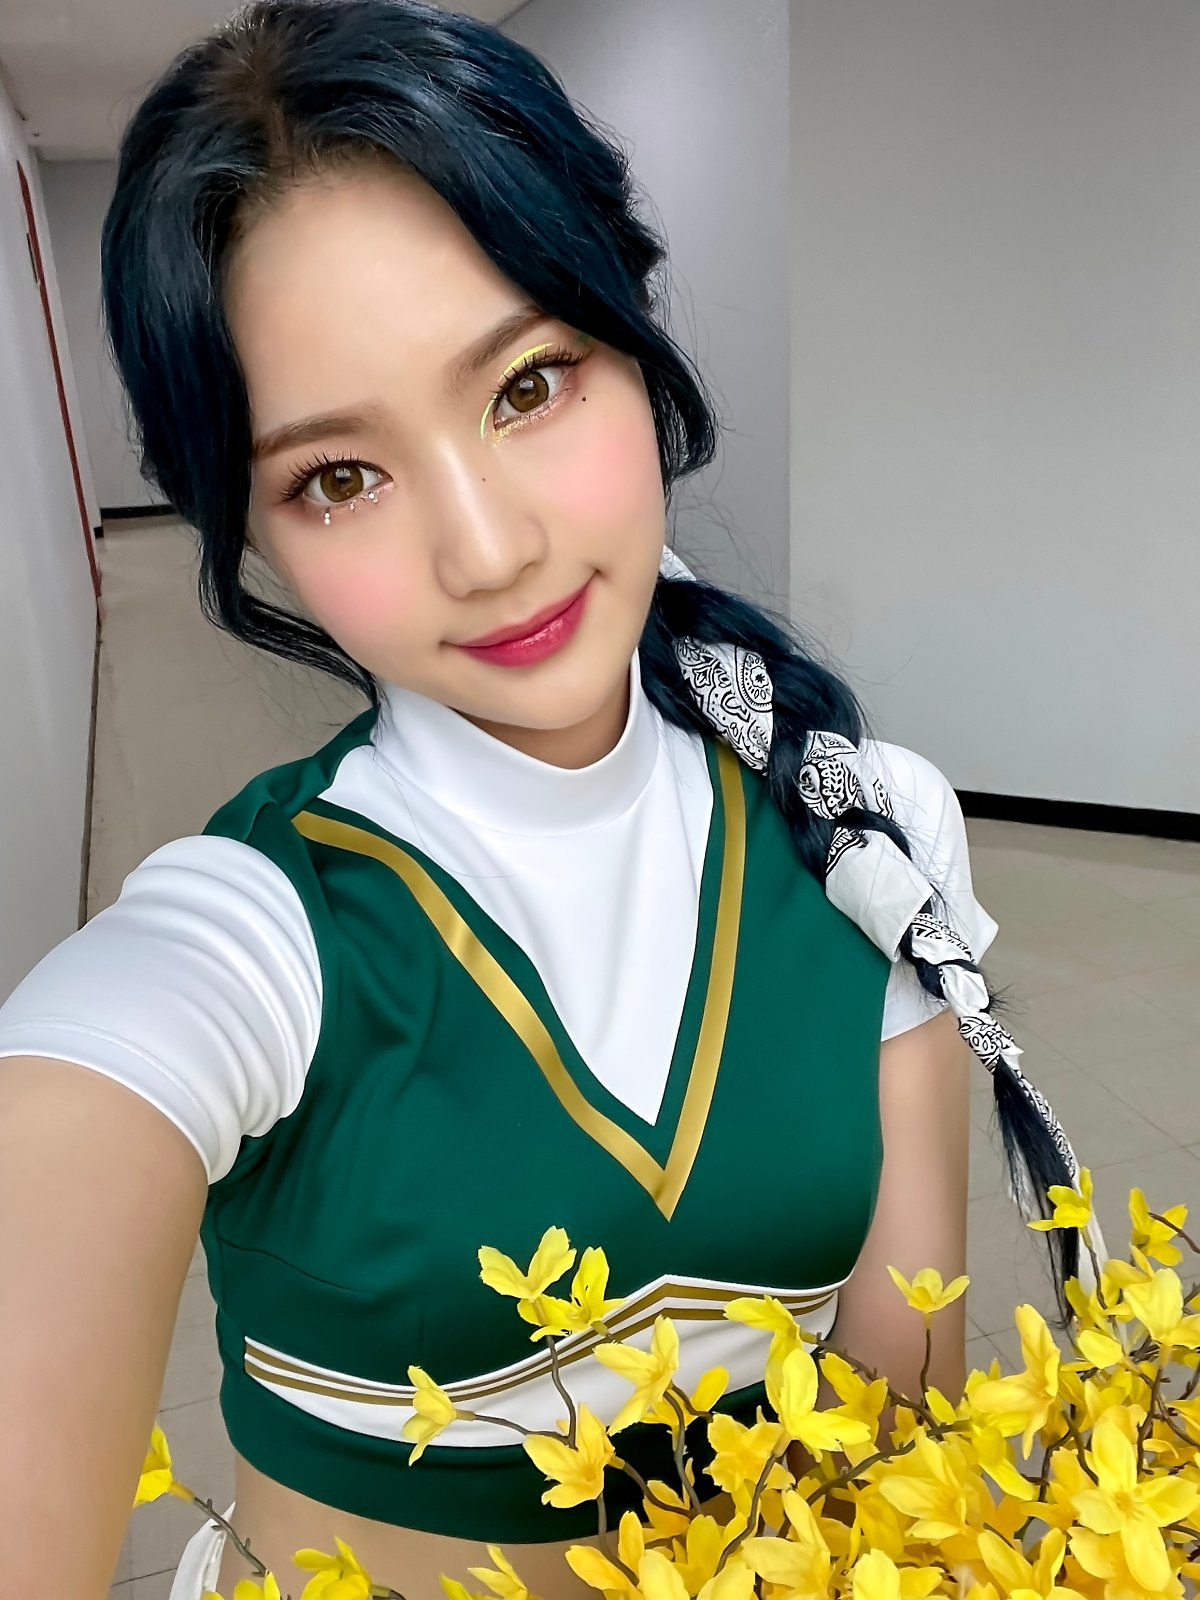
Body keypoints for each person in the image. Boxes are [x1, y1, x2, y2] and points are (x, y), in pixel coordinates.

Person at [0, 2, 1104, 1596]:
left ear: (633, 337)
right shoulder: (252, 935)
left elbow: (898, 1404)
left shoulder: (868, 827)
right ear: (256, 537)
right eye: (339, 477)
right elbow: (77, 1109)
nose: (490, 549)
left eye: (528, 384)